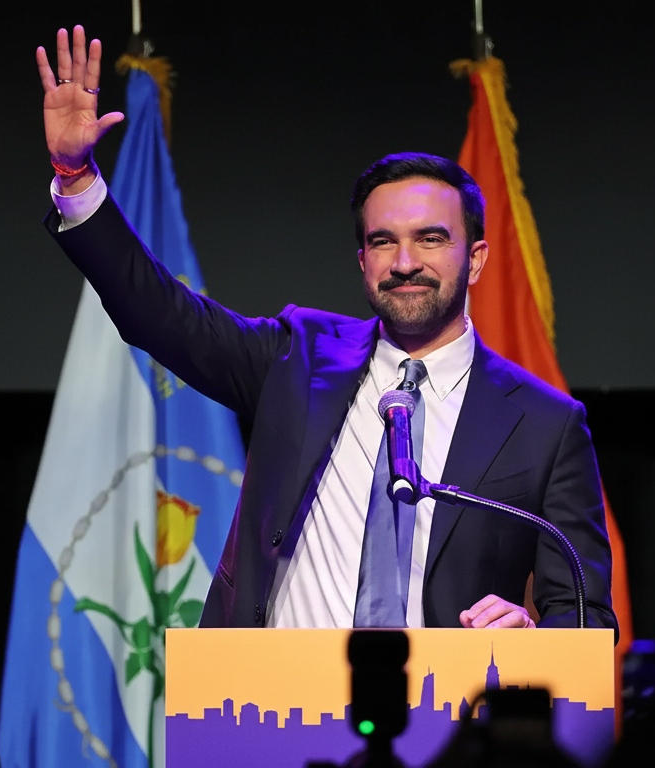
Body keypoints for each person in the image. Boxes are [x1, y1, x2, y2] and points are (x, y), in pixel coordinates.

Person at [34, 26, 616, 633]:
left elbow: (586, 618)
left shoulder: (546, 425)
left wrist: (530, 639)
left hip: (447, 717)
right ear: (363, 262)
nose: (405, 261)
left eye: (431, 239)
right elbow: (161, 314)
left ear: (475, 259)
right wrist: (77, 182)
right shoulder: (298, 358)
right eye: (382, 241)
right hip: (271, 707)